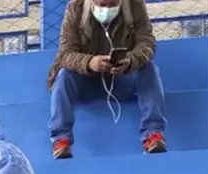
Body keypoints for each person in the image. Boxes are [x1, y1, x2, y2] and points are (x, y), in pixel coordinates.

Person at [47, 0, 167, 159]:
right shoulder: (75, 8)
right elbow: (65, 53)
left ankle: (153, 134)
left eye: (112, 5)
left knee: (149, 69)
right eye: (102, 6)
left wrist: (130, 61)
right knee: (64, 76)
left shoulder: (135, 5)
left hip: (122, 78)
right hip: (87, 80)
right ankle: (61, 139)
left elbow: (147, 44)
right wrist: (89, 62)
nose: (107, 10)